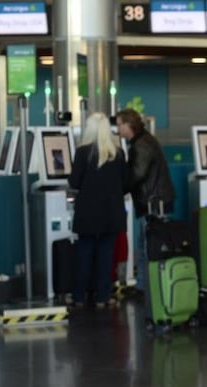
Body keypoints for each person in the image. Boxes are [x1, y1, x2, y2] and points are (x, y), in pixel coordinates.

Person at [68, 113, 128, 308]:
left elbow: (74, 182)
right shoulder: (118, 153)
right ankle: (103, 297)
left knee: (83, 254)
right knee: (106, 255)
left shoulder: (82, 152)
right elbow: (125, 184)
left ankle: (78, 297)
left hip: (87, 214)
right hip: (111, 214)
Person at [116, 108, 174, 298]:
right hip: (154, 202)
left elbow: (137, 174)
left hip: (152, 203)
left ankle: (150, 289)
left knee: (150, 248)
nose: (118, 129)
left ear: (129, 125)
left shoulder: (141, 145)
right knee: (144, 246)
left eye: (119, 125)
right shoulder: (144, 141)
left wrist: (117, 189)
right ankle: (142, 287)